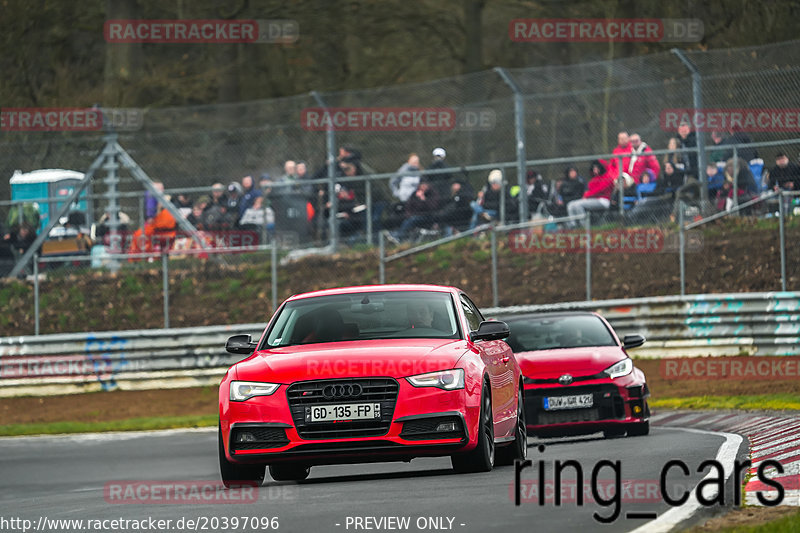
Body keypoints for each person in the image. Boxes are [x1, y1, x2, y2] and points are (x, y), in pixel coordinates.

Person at [566, 160, 614, 224]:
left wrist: (587, 195)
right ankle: (573, 225)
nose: (595, 170)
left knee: (578, 205)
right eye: (594, 168)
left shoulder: (607, 177)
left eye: (597, 168)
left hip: (603, 200)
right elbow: (589, 190)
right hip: (592, 199)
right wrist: (586, 195)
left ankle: (584, 226)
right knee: (570, 204)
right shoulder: (594, 179)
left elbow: (598, 190)